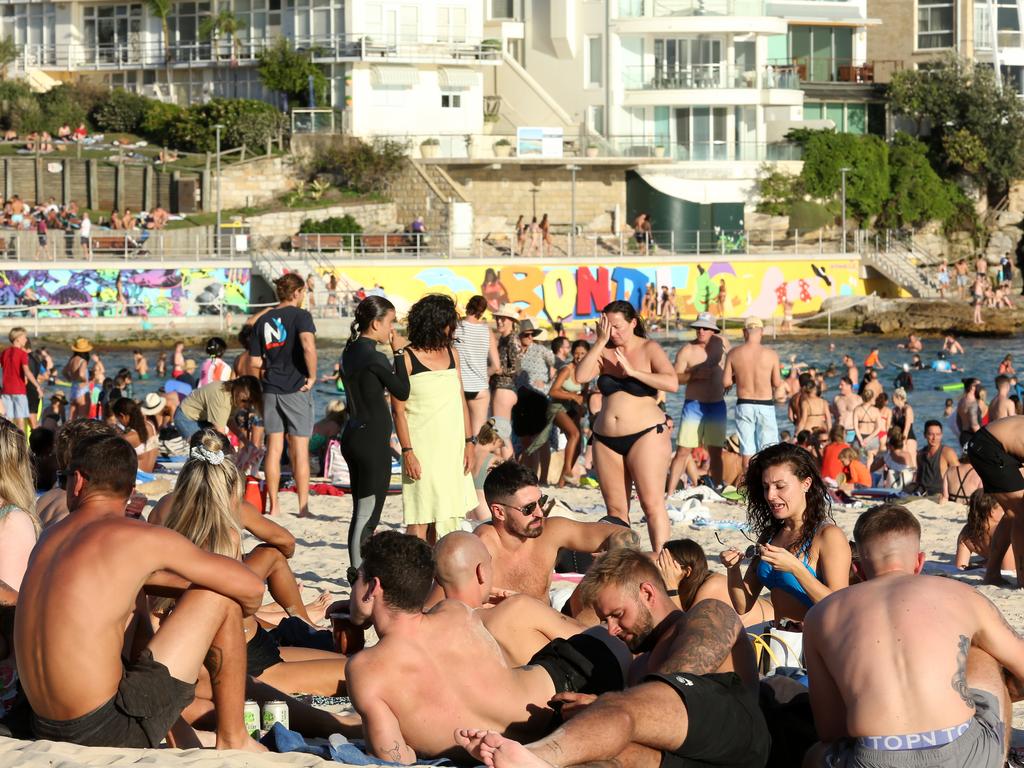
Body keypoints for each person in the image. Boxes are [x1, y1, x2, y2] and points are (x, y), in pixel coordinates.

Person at [15, 433, 266, 751]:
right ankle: (234, 738)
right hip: (103, 730)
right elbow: (252, 588)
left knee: (135, 607)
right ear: (131, 490)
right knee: (219, 595)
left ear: (77, 481)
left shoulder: (49, 538)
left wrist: (148, 581)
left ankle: (181, 736)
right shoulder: (138, 537)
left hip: (42, 725)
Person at [455, 548, 771, 768]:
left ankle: (535, 757)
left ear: (648, 594)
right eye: (605, 619)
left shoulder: (707, 614)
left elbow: (679, 684)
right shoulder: (637, 668)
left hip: (740, 742)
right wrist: (596, 717)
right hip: (687, 759)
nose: (612, 629)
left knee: (618, 712)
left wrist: (604, 706)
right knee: (615, 753)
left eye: (618, 615)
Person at [346, 531, 628, 763]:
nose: (351, 589)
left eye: (353, 578)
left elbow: (395, 759)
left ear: (373, 588)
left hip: (533, 743)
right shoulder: (455, 612)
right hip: (581, 679)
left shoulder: (365, 671)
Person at [801, 504, 1024, 768]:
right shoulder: (963, 595)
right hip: (964, 754)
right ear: (919, 562)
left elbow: (830, 731)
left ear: (858, 570)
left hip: (875, 757)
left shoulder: (820, 614)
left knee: (814, 755)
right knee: (980, 652)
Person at [151, 432, 347, 698]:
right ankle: (300, 621)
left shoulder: (164, 509)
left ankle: (300, 623)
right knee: (359, 670)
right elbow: (251, 594)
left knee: (344, 660)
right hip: (249, 660)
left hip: (235, 646)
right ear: (229, 487)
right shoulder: (228, 528)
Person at [574, 301, 677, 551]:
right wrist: (599, 342)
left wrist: (633, 372)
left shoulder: (649, 348)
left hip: (646, 435)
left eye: (617, 327)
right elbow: (580, 376)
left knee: (651, 505)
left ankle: (663, 564)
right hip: (605, 438)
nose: (613, 332)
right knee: (616, 510)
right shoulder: (604, 350)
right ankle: (625, 567)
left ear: (633, 323)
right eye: (607, 327)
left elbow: (671, 383)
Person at [720, 442, 851, 626]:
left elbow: (840, 607)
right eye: (766, 487)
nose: (771, 496)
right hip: (780, 641)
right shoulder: (770, 534)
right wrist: (732, 569)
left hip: (814, 645)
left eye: (780, 486)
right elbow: (743, 605)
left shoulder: (828, 536)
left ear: (806, 484)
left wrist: (796, 568)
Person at [475, 460, 637, 601]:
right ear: (499, 512)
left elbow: (624, 534)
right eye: (528, 508)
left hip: (549, 624)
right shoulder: (480, 547)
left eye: (541, 501)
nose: (539, 513)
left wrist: (613, 560)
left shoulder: (550, 530)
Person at [392, 294, 476, 542]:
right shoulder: (406, 358)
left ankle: (437, 575)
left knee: (448, 513)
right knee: (420, 517)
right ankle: (412, 575)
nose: (454, 328)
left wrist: (470, 442)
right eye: (451, 322)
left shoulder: (452, 353)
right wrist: (407, 452)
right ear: (436, 323)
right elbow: (398, 410)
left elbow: (461, 400)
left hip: (452, 448)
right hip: (422, 449)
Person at [433, 531, 584, 666]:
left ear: (438, 580)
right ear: (481, 572)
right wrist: (536, 606)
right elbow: (591, 638)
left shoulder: (430, 625)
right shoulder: (518, 609)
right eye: (489, 563)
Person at [341, 296, 410, 568]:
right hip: (370, 442)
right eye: (390, 322)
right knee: (367, 515)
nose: (392, 329)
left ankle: (357, 570)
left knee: (360, 511)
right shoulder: (374, 356)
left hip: (353, 434)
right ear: (376, 322)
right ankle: (357, 574)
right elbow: (402, 390)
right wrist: (400, 353)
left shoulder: (350, 351)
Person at [248, 273, 317, 518]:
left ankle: (274, 506)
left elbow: (254, 361)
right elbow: (308, 346)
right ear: (297, 292)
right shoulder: (301, 316)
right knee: (300, 448)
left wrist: (269, 371)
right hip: (295, 387)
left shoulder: (263, 320)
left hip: (270, 388)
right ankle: (303, 507)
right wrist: (312, 375)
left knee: (273, 448)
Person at [666, 312, 728, 492]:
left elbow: (731, 366)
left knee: (716, 451)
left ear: (713, 330)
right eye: (698, 327)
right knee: (683, 450)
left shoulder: (722, 344)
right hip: (694, 405)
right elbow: (675, 379)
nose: (701, 331)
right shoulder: (687, 350)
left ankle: (717, 488)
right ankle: (670, 491)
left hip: (717, 403)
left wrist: (730, 380)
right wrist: (693, 374)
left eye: (705, 328)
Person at [655, 539, 773, 628]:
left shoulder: (711, 587)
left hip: (768, 619)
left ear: (687, 571)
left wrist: (671, 588)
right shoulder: (690, 585)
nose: (660, 569)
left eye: (666, 565)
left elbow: (682, 631)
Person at [965, 414, 1024, 586]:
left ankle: (992, 573)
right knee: (1020, 512)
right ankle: (1022, 579)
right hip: (989, 447)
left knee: (1012, 513)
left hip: (986, 444)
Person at [722, 316, 784, 469]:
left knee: (747, 449)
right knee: (769, 449)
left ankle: (750, 487)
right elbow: (776, 383)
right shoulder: (771, 354)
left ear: (744, 332)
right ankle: (767, 486)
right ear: (761, 331)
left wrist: (739, 377)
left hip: (744, 403)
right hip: (765, 404)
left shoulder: (734, 353)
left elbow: (726, 382)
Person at [455, 295, 500, 436]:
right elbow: (496, 366)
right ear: (483, 311)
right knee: (477, 435)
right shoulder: (487, 331)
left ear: (468, 306)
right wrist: (485, 373)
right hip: (479, 387)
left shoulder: (455, 328)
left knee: (460, 433)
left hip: (459, 386)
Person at [547, 340, 588, 487]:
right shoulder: (566, 369)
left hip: (572, 409)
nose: (579, 356)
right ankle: (568, 471)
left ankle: (562, 482)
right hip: (556, 407)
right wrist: (572, 396)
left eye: (583, 353)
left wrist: (582, 406)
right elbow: (552, 391)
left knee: (578, 446)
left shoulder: (587, 372)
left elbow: (584, 393)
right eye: (576, 353)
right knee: (574, 434)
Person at [173, 376, 261, 443]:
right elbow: (220, 433)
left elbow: (229, 421)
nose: (247, 406)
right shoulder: (222, 398)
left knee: (212, 448)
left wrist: (245, 441)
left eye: (251, 402)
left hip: (204, 418)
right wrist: (231, 453)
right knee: (202, 449)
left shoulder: (234, 395)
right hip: (186, 416)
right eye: (245, 401)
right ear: (238, 388)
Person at [490, 304, 522, 459]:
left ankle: (511, 470)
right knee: (500, 432)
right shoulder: (504, 339)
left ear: (511, 321)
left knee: (501, 433)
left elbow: (516, 368)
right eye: (498, 318)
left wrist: (497, 370)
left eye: (503, 318)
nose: (499, 321)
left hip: (505, 388)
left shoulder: (512, 339)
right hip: (502, 388)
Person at [956, 490, 1016, 572]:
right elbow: (1009, 570)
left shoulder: (967, 533)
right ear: (992, 511)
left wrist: (984, 565)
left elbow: (960, 567)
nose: (1005, 510)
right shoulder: (1001, 532)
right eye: (1002, 506)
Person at [0, 328, 43, 431]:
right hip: (19, 391)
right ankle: (21, 445)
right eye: (24, 337)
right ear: (18, 339)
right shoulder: (22, 354)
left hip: (6, 391)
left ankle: (6, 444)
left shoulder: (5, 352)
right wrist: (37, 386)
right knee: (20, 422)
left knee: (8, 421)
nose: (26, 340)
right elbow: (27, 372)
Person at [111, 397, 159, 473]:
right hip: (150, 475)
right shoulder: (150, 425)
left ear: (122, 416)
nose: (119, 422)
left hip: (138, 478)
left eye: (118, 419)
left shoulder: (128, 438)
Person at [915, 420, 960, 497]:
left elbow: (959, 476)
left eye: (938, 434)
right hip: (923, 494)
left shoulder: (947, 453)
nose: (934, 438)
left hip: (940, 495)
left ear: (941, 435)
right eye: (931, 434)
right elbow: (918, 478)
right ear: (925, 435)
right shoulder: (920, 454)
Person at [61, 338, 93, 421]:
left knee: (72, 420)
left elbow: (64, 372)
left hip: (73, 390)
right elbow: (81, 374)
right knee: (83, 420)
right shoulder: (83, 361)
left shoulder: (72, 360)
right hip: (82, 391)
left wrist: (71, 379)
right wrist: (85, 381)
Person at [831, 376, 860, 445]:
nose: (839, 387)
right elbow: (835, 415)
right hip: (839, 430)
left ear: (849, 386)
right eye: (839, 385)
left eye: (842, 385)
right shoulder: (837, 398)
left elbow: (861, 417)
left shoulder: (858, 399)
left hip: (852, 430)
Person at [955, 377, 982, 448]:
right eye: (978, 386)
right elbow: (974, 425)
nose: (981, 388)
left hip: (963, 436)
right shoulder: (972, 403)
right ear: (972, 387)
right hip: (972, 437)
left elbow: (958, 421)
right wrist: (983, 438)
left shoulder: (961, 401)